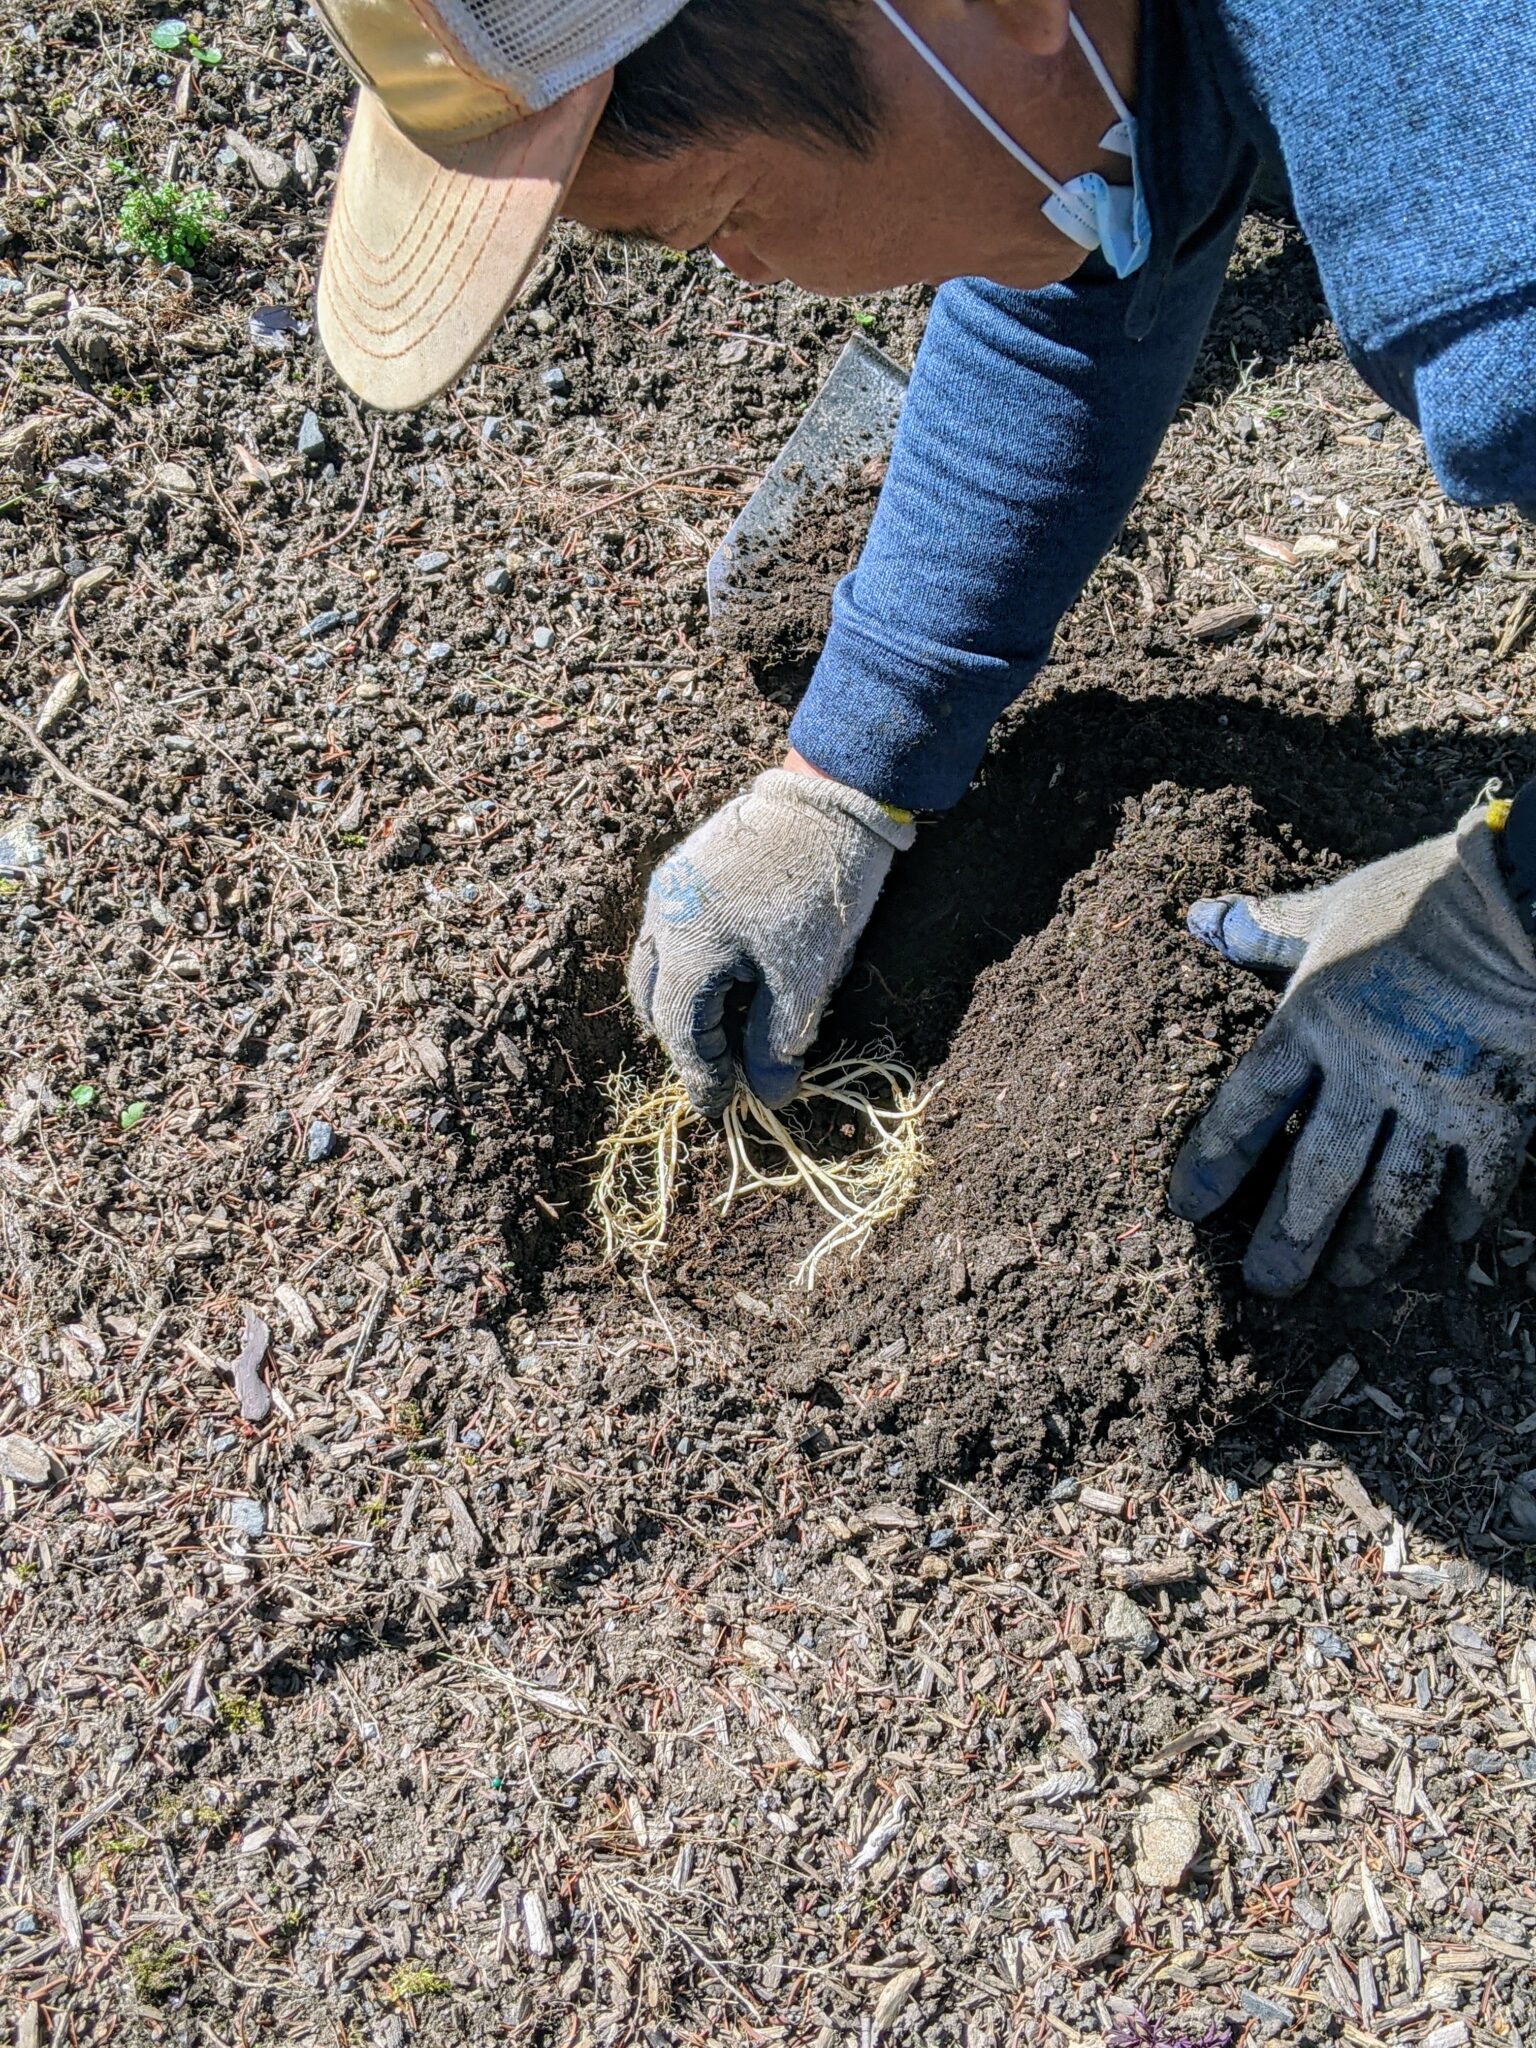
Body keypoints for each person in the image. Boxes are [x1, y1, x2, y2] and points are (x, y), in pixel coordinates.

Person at [310, 0, 1536, 1297]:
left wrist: (1510, 917)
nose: (751, 277)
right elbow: (1092, 236)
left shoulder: (1490, 240)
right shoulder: (1092, 53)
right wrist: (847, 766)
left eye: (723, 218)